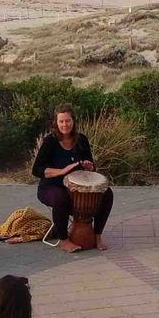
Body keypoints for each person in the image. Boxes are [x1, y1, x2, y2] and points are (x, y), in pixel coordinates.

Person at [31, 105, 114, 253]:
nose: (65, 125)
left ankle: (97, 235)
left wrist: (89, 167)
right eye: (61, 121)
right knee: (60, 198)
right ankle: (64, 240)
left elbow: (90, 165)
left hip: (77, 188)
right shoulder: (50, 142)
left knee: (107, 194)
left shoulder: (81, 139)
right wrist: (62, 171)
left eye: (67, 121)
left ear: (73, 121)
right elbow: (36, 170)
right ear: (56, 123)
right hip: (51, 186)